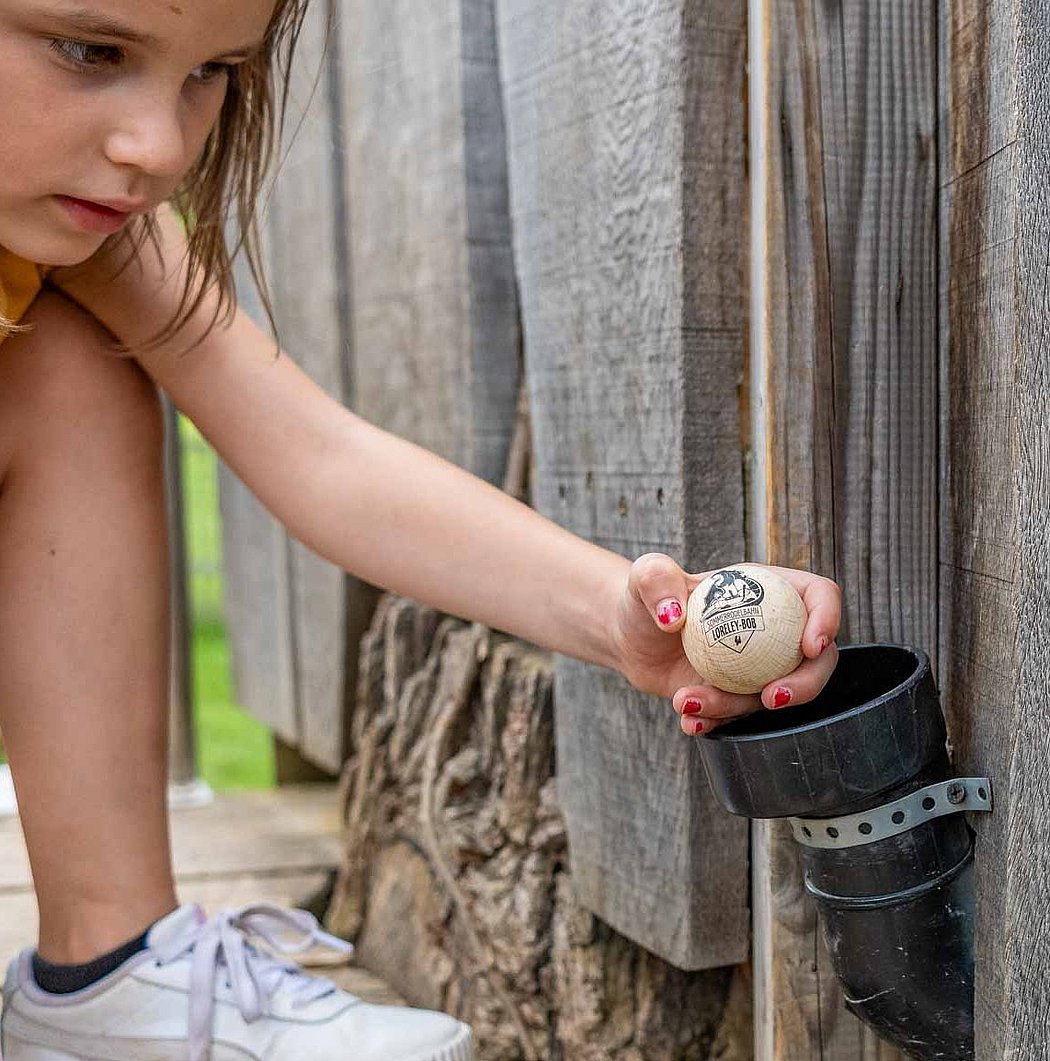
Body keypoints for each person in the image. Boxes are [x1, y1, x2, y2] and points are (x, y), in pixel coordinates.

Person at [0, 0, 843, 1058]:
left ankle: (105, 975)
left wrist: (624, 616)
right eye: (90, 51)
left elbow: (323, 458)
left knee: (68, 370)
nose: (159, 147)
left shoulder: (95, 248)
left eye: (210, 71)